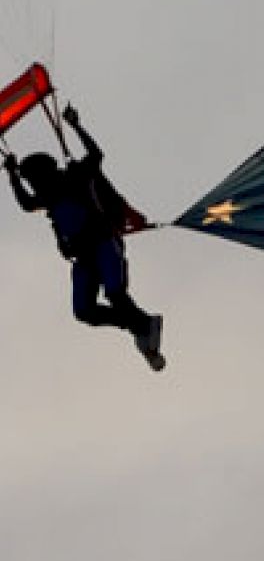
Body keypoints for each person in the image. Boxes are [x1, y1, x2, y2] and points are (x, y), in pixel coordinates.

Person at [3, 106, 164, 371]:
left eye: (33, 179)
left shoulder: (73, 176)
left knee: (115, 293)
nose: (33, 185)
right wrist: (11, 175)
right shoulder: (47, 196)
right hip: (83, 257)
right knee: (84, 311)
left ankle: (144, 325)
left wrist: (76, 126)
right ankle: (140, 324)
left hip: (103, 243)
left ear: (45, 173)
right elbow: (26, 203)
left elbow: (96, 155)